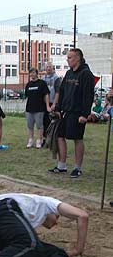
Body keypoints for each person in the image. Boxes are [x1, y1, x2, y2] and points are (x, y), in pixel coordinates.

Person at [48, 48, 95, 178]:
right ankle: (61, 166)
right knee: (60, 137)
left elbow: (88, 95)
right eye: (67, 57)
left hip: (78, 113)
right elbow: (62, 92)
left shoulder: (86, 74)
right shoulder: (69, 73)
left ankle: (77, 168)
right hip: (65, 112)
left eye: (70, 57)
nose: (67, 60)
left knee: (77, 139)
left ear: (78, 58)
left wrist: (84, 114)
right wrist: (58, 109)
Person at [25, 68, 51, 149]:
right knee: (30, 125)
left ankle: (39, 140)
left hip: (39, 108)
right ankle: (30, 140)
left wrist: (47, 106)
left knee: (40, 125)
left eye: (33, 73)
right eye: (30, 73)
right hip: (29, 109)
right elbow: (27, 96)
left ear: (36, 74)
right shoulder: (28, 84)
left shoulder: (42, 83)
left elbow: (46, 95)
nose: (32, 74)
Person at [43, 63, 62, 141]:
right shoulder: (43, 79)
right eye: (47, 67)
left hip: (53, 103)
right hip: (45, 103)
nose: (48, 68)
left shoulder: (56, 78)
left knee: (53, 122)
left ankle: (53, 139)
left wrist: (54, 104)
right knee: (45, 122)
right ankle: (45, 138)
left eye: (50, 67)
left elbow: (58, 92)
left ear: (53, 68)